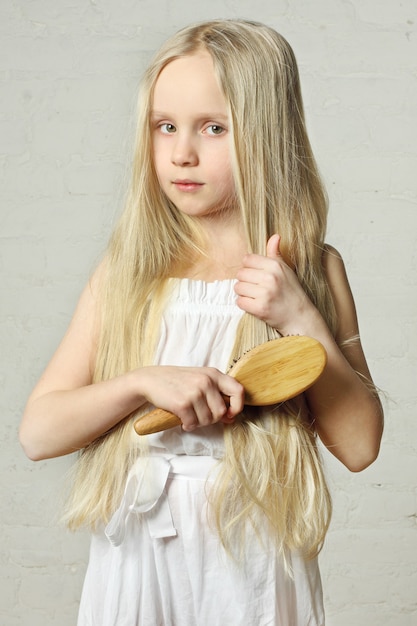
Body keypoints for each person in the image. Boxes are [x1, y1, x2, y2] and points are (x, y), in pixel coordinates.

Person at [20, 19, 383, 626]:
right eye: (165, 127)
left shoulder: (311, 269)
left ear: (264, 134)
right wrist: (141, 383)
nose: (181, 152)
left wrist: (300, 319)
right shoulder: (129, 271)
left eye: (214, 128)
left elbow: (360, 446)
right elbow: (38, 433)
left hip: (254, 550)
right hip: (139, 555)